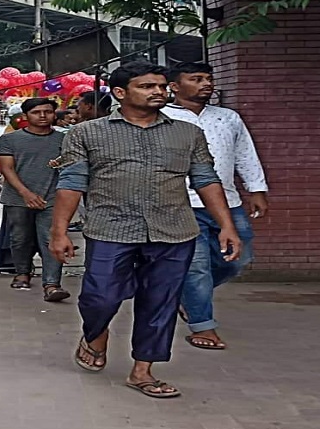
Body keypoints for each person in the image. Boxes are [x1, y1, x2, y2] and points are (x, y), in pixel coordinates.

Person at [49, 61, 241, 399]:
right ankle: (96, 333)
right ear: (120, 93)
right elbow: (71, 183)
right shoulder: (87, 133)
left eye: (162, 87)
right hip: (110, 228)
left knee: (161, 302)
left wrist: (227, 225)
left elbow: (206, 180)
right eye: (147, 86)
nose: (158, 92)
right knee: (100, 297)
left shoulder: (187, 133)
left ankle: (143, 371)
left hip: (174, 230)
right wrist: (59, 231)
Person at [163, 62, 268, 350]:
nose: (206, 84)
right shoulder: (162, 117)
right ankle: (202, 326)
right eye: (196, 79)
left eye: (208, 78)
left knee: (238, 260)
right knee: (196, 268)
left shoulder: (228, 117)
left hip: (227, 202)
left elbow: (245, 153)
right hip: (180, 203)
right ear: (174, 86)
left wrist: (257, 188)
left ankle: (187, 297)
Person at [0, 98, 70, 302]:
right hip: (18, 198)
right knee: (20, 238)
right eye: (37, 112)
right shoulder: (10, 140)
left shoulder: (65, 139)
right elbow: (7, 169)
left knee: (51, 239)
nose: (43, 116)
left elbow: (73, 164)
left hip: (53, 197)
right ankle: (22, 272)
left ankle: (52, 284)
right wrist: (26, 193)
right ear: (25, 116)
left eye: (48, 111)